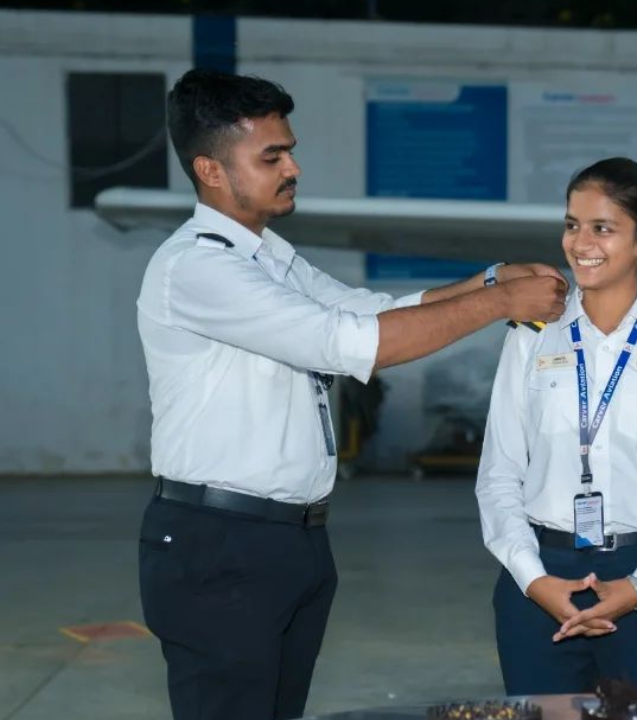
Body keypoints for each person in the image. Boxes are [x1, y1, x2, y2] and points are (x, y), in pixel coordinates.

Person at [135, 68, 566, 720]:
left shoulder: (266, 254)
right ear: (212, 170)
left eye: (291, 150)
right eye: (272, 156)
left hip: (289, 542)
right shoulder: (198, 267)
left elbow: (370, 310)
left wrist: (486, 279)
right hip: (219, 544)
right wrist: (502, 302)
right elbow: (349, 343)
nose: (294, 168)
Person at [476, 157, 637, 694]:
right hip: (540, 579)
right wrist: (532, 576)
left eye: (602, 228)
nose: (580, 242)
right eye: (572, 225)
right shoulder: (532, 333)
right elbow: (498, 474)